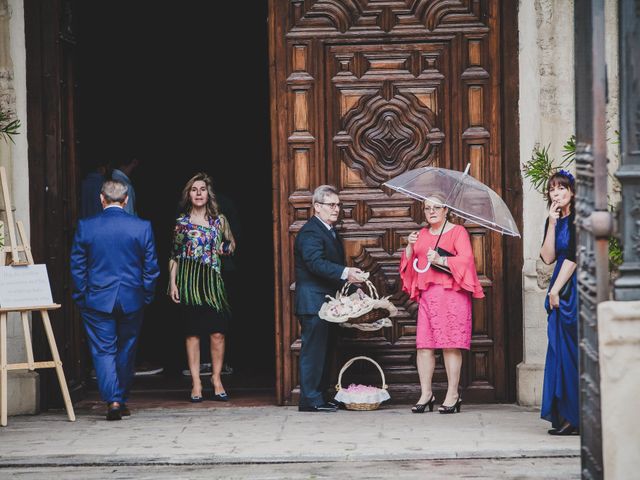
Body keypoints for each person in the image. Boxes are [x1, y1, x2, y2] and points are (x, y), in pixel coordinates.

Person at [70, 179, 160, 420]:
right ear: (126, 199)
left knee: (103, 351)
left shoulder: (86, 227)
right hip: (132, 298)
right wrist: (147, 295)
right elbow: (151, 268)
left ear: (101, 199)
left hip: (97, 299)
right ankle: (119, 398)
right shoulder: (142, 227)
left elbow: (77, 268)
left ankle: (114, 400)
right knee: (126, 350)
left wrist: (81, 297)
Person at [400, 195, 484, 414]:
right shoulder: (422, 234)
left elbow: (466, 260)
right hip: (428, 296)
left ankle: (453, 394)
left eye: (436, 207)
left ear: (446, 210)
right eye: (427, 208)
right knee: (424, 346)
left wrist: (442, 260)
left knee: (450, 344)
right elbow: (411, 264)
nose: (431, 211)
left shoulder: (458, 232)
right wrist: (409, 247)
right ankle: (426, 394)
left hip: (451, 295)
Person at [294, 185, 364, 412]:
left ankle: (321, 396)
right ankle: (310, 400)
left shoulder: (330, 231)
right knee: (313, 352)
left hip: (327, 304)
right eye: (331, 205)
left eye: (338, 205)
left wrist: (353, 290)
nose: (336, 209)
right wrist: (346, 273)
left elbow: (332, 271)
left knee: (324, 351)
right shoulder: (311, 232)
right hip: (314, 303)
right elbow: (316, 263)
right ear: (317, 207)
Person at [168, 172, 235, 402]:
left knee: (217, 333)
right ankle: (196, 383)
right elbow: (174, 255)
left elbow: (231, 245)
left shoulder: (219, 220)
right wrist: (173, 283)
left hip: (212, 283)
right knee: (193, 334)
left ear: (209, 194)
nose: (198, 193)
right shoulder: (181, 224)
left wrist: (222, 250)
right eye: (194, 190)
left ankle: (216, 379)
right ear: (189, 194)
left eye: (202, 189)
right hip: (189, 283)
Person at [539, 170, 579, 435]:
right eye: (553, 189)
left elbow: (575, 257)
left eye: (562, 188)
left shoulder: (579, 219)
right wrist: (551, 225)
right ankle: (564, 414)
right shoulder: (553, 220)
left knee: (572, 351)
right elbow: (547, 257)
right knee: (558, 350)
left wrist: (555, 290)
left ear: (572, 193)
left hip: (573, 285)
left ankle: (578, 415)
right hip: (558, 279)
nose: (557, 193)